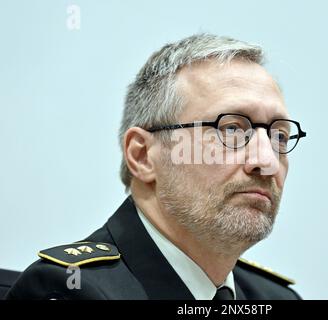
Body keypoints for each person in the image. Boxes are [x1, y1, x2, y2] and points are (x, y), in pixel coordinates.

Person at [6, 33, 306, 300]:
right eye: (231, 130)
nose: (266, 161)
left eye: (279, 135)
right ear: (143, 156)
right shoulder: (69, 289)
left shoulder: (277, 296)